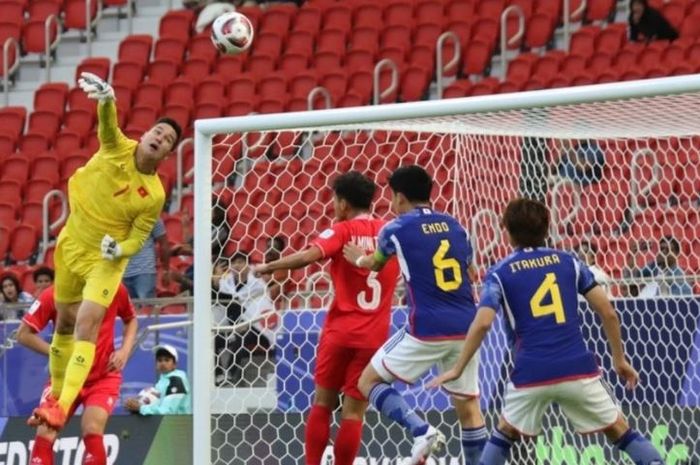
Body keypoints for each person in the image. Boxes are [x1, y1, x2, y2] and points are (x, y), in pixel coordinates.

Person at [428, 198, 664, 465]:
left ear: (506, 230)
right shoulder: (570, 263)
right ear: (547, 228)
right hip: (576, 368)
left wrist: (458, 367)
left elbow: (482, 323)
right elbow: (608, 311)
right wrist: (619, 359)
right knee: (619, 429)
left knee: (504, 432)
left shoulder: (499, 273)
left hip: (531, 373)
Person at [30, 71, 181, 430]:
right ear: (144, 136)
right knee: (64, 324)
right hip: (71, 244)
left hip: (106, 260)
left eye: (169, 139)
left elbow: (139, 237)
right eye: (158, 131)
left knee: (85, 323)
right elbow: (108, 128)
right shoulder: (118, 147)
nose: (160, 137)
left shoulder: (155, 193)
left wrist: (119, 250)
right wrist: (108, 100)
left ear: (168, 154)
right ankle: (55, 396)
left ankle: (61, 406)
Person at [343, 165, 487, 465]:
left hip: (426, 327)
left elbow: (375, 264)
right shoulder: (455, 225)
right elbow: (472, 272)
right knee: (469, 406)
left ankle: (421, 431)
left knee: (367, 381)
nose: (392, 204)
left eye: (392, 198)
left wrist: (359, 257)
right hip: (466, 326)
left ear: (400, 197)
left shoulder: (395, 229)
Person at [253, 171, 399, 465]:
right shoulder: (390, 232)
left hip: (340, 332)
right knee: (355, 412)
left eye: (334, 199)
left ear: (343, 203)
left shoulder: (341, 231)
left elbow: (308, 256)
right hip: (374, 336)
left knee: (322, 403)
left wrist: (269, 266)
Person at [17, 283, 137, 465]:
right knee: (45, 432)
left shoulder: (112, 287)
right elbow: (23, 334)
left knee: (92, 427)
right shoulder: (53, 294)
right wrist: (57, 353)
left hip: (102, 377)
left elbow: (131, 319)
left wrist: (124, 351)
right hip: (64, 379)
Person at [212, 252, 275, 386]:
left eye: (241, 262)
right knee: (214, 340)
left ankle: (230, 375)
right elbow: (218, 289)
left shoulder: (258, 284)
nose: (237, 265)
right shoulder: (227, 281)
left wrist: (247, 324)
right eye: (234, 263)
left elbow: (263, 307)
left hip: (256, 328)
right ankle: (218, 375)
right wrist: (216, 276)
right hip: (232, 327)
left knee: (241, 339)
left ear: (248, 266)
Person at [124, 344, 191, 415]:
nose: (163, 363)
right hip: (166, 424)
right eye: (159, 360)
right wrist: (135, 406)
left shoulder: (176, 380)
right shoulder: (162, 382)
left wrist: (140, 408)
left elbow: (168, 412)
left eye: (167, 360)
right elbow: (157, 408)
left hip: (179, 425)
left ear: (175, 364)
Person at [122, 218, 171, 299]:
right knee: (127, 310)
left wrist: (166, 270)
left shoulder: (151, 215)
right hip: (122, 273)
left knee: (147, 308)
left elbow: (164, 243)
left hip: (145, 271)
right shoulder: (117, 215)